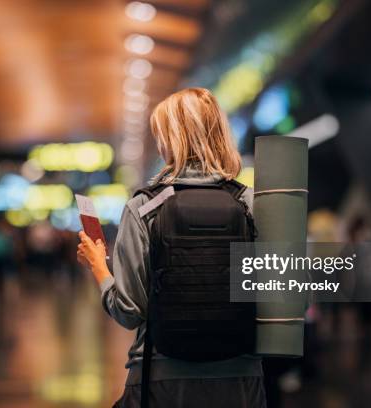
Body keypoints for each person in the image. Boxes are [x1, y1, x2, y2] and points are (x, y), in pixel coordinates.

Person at [77, 88, 266, 408]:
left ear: (172, 139)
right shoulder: (251, 204)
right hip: (241, 379)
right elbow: (289, 300)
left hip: (160, 377)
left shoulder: (144, 207)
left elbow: (128, 310)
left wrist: (99, 266)